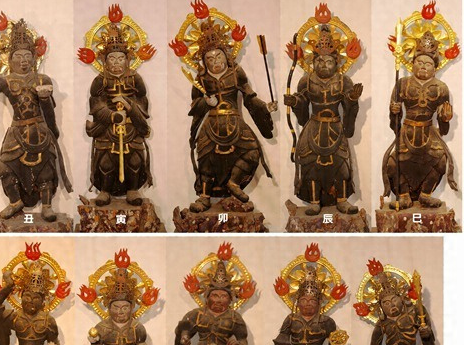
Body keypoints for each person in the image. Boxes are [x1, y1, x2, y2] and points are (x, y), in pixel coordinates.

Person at [0, 19, 72, 221]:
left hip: (39, 128)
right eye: (18, 56)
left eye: (27, 56)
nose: (23, 60)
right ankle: (15, 202)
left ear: (33, 59)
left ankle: (47, 205)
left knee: (46, 167)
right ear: (10, 60)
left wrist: (45, 102)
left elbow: (49, 112)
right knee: (5, 167)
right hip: (17, 130)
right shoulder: (6, 81)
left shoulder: (42, 79)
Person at [186, 18, 276, 212]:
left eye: (218, 57)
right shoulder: (201, 78)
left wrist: (265, 108)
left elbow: (249, 97)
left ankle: (233, 183)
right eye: (210, 59)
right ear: (204, 61)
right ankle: (204, 196)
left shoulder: (235, 73)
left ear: (225, 56)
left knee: (252, 152)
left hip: (235, 121)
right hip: (212, 123)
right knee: (205, 155)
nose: (215, 62)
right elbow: (194, 105)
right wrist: (205, 102)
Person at [284, 25, 363, 216]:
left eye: (328, 61)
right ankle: (314, 201)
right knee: (311, 164)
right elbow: (303, 103)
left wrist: (352, 99)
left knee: (340, 164)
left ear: (337, 62)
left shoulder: (344, 81)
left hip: (335, 126)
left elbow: (348, 105)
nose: (324, 65)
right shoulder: (306, 81)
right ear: (312, 62)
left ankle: (342, 200)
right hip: (314, 126)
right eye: (319, 61)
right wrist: (295, 102)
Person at [382, 30, 457, 209]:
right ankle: (403, 195)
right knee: (392, 163)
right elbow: (394, 122)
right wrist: (394, 112)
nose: (423, 66)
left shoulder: (441, 88)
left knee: (441, 160)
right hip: (407, 132)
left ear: (435, 67)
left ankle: (425, 194)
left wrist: (445, 118)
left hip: (429, 133)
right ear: (412, 64)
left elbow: (443, 128)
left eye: (428, 64)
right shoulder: (402, 84)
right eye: (419, 62)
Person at [85, 23, 153, 207]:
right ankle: (105, 190)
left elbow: (143, 101)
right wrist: (111, 115)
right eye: (112, 59)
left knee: (134, 160)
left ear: (127, 59)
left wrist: (129, 106)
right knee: (106, 162)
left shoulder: (135, 78)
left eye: (120, 58)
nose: (116, 63)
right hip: (107, 127)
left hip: (131, 126)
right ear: (104, 61)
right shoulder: (100, 80)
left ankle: (132, 189)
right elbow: (95, 104)